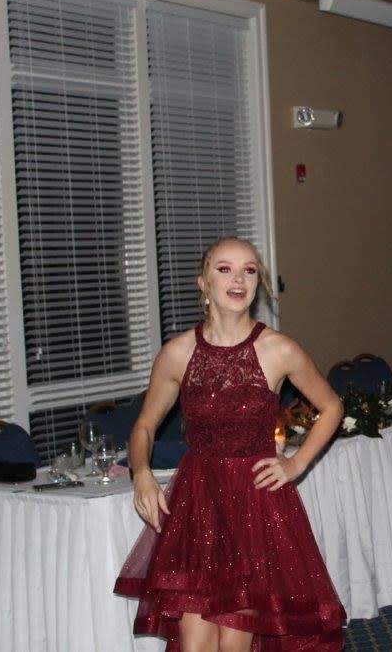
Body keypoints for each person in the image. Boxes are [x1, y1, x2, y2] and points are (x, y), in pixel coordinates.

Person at [114, 236, 345, 651]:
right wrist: (142, 474)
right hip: (197, 504)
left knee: (233, 642)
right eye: (225, 269)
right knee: (196, 644)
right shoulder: (177, 353)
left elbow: (331, 407)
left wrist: (296, 465)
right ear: (202, 282)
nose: (238, 279)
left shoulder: (279, 348)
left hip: (255, 505)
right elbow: (144, 427)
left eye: (249, 270)